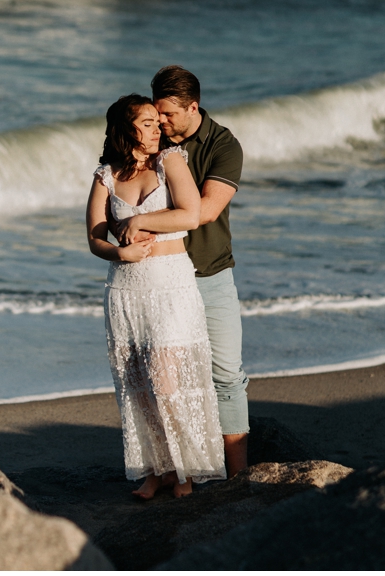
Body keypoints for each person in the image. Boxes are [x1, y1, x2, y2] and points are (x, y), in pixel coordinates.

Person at [86, 94, 226, 499]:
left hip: (170, 284)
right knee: (137, 386)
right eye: (147, 122)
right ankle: (156, 470)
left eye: (156, 121)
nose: (157, 128)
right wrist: (119, 252)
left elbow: (191, 213)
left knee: (165, 382)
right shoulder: (105, 175)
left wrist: (140, 219)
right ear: (124, 129)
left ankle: (184, 471)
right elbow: (95, 237)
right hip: (126, 289)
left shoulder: (171, 161)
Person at [151, 65, 249, 477]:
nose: (161, 122)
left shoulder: (224, 145)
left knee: (226, 375)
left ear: (194, 107)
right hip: (161, 279)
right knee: (168, 381)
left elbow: (205, 212)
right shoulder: (150, 141)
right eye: (157, 114)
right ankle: (179, 473)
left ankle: (239, 478)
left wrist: (140, 224)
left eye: (169, 114)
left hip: (210, 275)